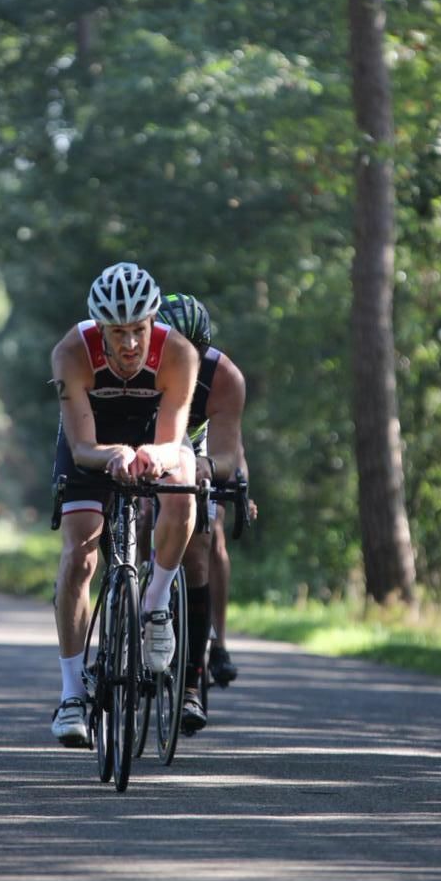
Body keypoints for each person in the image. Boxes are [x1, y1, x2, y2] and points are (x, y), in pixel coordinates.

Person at [49, 261, 199, 747]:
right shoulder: (72, 351)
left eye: (139, 330)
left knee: (183, 488)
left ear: (153, 323)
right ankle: (73, 693)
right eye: (118, 333)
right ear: (101, 328)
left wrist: (153, 454)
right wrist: (110, 455)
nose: (130, 344)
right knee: (79, 555)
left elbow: (174, 438)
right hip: (93, 443)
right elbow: (80, 449)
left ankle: (154, 604)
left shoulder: (178, 353)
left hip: (153, 438)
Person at [156, 293, 249, 732]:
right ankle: (130, 617)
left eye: (191, 351)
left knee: (204, 543)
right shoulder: (139, 360)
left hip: (197, 447)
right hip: (147, 441)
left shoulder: (223, 375)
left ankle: (195, 678)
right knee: (135, 520)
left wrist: (221, 476)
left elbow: (229, 449)